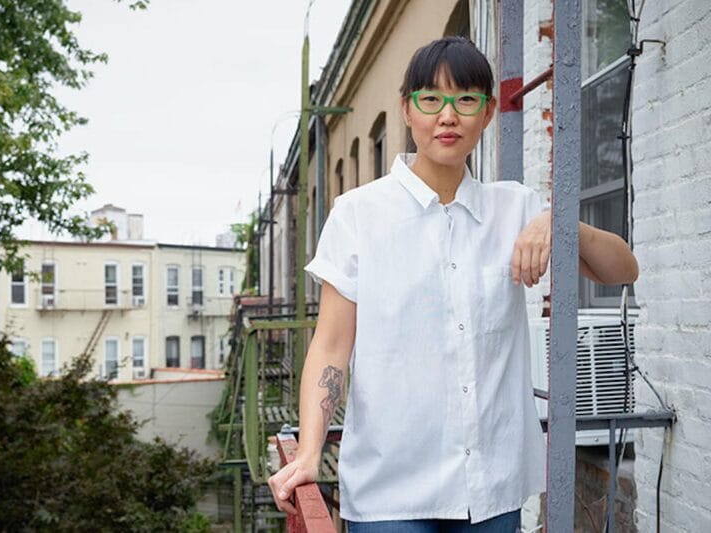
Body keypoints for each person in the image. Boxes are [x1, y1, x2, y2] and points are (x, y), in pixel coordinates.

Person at [267, 36, 638, 533]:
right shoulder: (358, 214)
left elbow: (622, 270)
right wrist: (310, 452)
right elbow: (332, 345)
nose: (448, 115)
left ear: (486, 114)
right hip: (390, 492)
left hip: (490, 489)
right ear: (407, 109)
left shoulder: (516, 210)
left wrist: (559, 222)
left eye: (465, 99)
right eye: (431, 99)